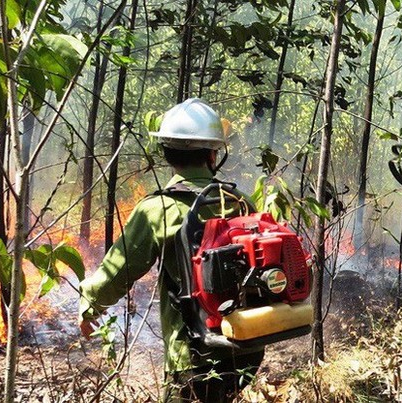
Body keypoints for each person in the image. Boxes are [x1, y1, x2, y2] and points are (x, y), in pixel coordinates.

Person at [78, 98, 264, 402]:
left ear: (166, 153)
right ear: (214, 154)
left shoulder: (157, 209)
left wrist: (89, 306)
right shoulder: (240, 201)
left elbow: (118, 271)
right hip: (247, 346)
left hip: (193, 352)